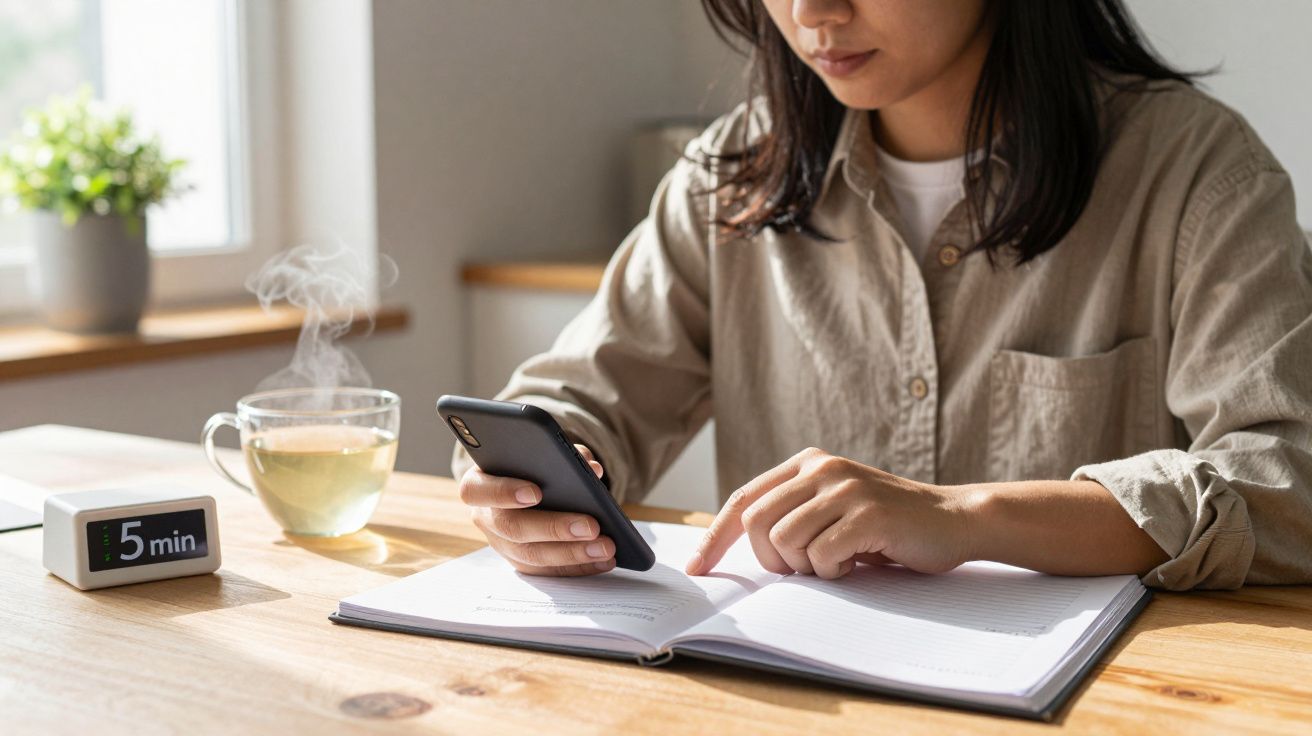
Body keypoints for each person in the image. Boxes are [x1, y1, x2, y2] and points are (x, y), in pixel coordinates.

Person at [452, 0, 1312, 590]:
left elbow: (1289, 481)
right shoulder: (729, 179)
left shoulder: (1197, 173)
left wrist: (967, 517)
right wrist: (532, 479)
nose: (814, 12)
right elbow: (576, 398)